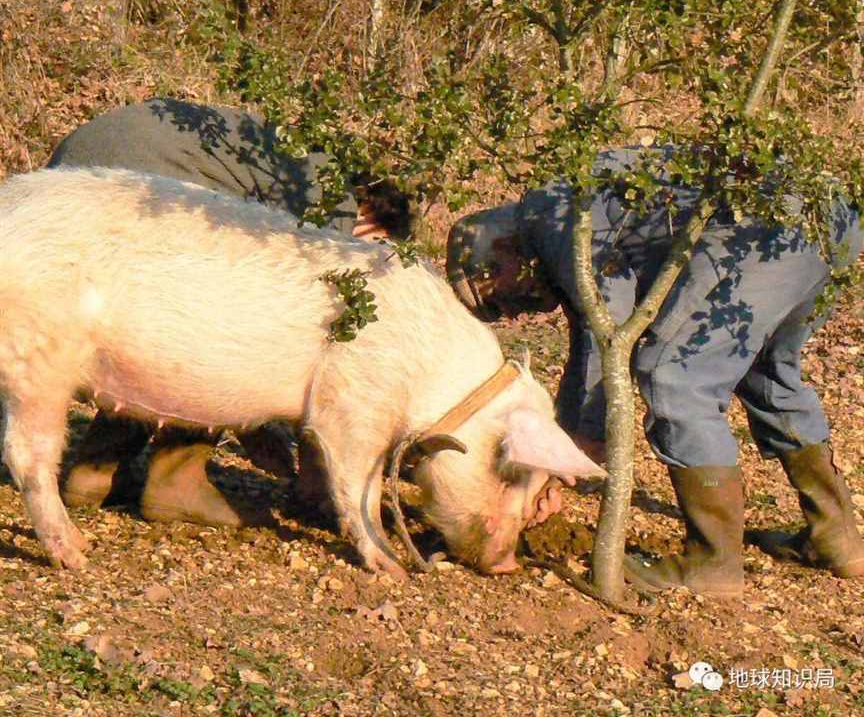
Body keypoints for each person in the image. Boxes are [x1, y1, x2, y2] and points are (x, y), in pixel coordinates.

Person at [446, 146, 864, 597]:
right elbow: (591, 340)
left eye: (495, 296)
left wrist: (577, 446)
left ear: (500, 250)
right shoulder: (556, 214)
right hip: (831, 219)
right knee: (767, 372)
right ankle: (837, 539)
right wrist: (567, 440)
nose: (512, 312)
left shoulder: (550, 219)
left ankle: (712, 563)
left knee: (675, 375)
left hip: (768, 224)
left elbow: (607, 323)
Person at [49, 97, 414, 529]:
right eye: (375, 248)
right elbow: (274, 331)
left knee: (145, 330)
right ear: (373, 222)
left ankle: (95, 470)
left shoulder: (307, 161)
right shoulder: (334, 209)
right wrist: (262, 430)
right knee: (213, 327)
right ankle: (175, 482)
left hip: (80, 167)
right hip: (133, 178)